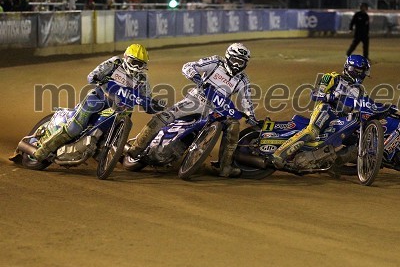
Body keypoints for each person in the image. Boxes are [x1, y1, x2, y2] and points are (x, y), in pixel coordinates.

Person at [127, 43, 258, 177]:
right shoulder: (216, 62)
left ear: (245, 63)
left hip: (218, 110)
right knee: (164, 116)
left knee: (234, 126)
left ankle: (225, 167)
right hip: (196, 100)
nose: (237, 65)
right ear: (228, 57)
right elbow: (188, 66)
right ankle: (137, 147)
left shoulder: (243, 80)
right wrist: (196, 77)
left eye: (241, 62)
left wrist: (251, 115)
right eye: (235, 60)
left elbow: (246, 100)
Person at [34, 44, 158, 161]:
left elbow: (147, 100)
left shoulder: (143, 80)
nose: (136, 67)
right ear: (125, 58)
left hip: (122, 110)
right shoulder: (114, 63)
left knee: (122, 130)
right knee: (74, 128)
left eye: (140, 64)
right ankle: (43, 149)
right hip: (99, 98)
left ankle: (105, 149)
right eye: (134, 62)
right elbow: (92, 75)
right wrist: (98, 77)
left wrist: (153, 105)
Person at [268, 55, 371, 169]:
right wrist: (330, 96)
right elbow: (315, 93)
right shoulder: (333, 77)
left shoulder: (361, 91)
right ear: (353, 69)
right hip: (326, 110)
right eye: (362, 71)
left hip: (343, 120)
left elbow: (367, 105)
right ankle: (279, 155)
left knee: (356, 140)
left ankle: (333, 165)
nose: (363, 74)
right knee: (312, 131)